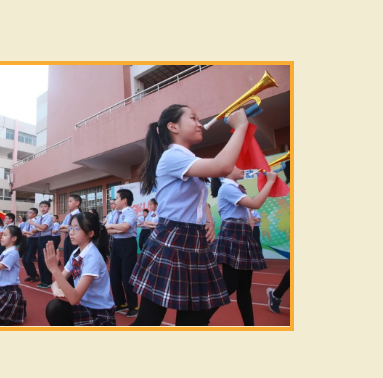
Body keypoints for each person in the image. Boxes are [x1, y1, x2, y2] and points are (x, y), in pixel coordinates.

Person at [130, 105, 249, 326]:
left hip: (194, 239)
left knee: (194, 322)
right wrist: (241, 126)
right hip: (173, 238)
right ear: (173, 126)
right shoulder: (173, 156)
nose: (199, 123)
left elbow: (199, 199)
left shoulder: (188, 158)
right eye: (193, 118)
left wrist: (209, 220)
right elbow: (222, 166)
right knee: (148, 322)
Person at [203, 167, 277, 326]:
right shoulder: (228, 187)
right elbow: (255, 203)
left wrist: (249, 219)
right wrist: (270, 182)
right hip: (233, 234)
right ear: (227, 170)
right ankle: (200, 318)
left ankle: (249, 326)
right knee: (230, 285)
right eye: (237, 165)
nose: (242, 168)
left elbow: (249, 210)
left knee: (244, 288)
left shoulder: (235, 187)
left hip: (241, 233)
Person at [44, 212, 115, 326]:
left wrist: (54, 269)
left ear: (90, 233)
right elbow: (56, 282)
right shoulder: (76, 253)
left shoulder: (93, 257)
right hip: (85, 307)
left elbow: (74, 299)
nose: (71, 232)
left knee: (55, 308)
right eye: (71, 228)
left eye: (76, 229)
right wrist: (55, 288)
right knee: (54, 308)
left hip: (100, 313)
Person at [105, 188, 139, 317]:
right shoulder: (114, 214)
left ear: (124, 200)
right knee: (114, 275)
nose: (115, 201)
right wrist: (117, 229)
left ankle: (133, 305)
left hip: (128, 244)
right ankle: (120, 303)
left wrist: (113, 227)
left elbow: (125, 227)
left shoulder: (131, 213)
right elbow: (106, 229)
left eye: (117, 198)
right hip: (116, 244)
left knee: (127, 276)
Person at [59, 195, 82, 286]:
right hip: (67, 239)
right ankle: (69, 284)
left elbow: (77, 229)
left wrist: (68, 228)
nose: (68, 203)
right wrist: (71, 228)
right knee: (67, 262)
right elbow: (61, 228)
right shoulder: (68, 216)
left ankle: (76, 284)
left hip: (76, 241)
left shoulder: (80, 215)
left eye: (70, 201)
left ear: (77, 203)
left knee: (75, 262)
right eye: (68, 201)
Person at [32, 201, 54, 288]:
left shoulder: (49, 217)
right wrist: (39, 228)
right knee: (40, 260)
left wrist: (34, 224)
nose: (43, 208)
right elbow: (33, 230)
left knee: (45, 260)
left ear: (49, 208)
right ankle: (43, 280)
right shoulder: (39, 218)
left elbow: (44, 228)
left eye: (45, 206)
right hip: (40, 239)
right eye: (41, 206)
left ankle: (48, 281)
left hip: (46, 238)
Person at [22, 208, 41, 284]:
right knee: (24, 259)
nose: (28, 213)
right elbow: (23, 232)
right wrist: (28, 233)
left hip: (34, 240)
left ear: (34, 214)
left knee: (29, 259)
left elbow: (33, 233)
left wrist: (27, 233)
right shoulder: (27, 222)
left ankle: (35, 275)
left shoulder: (36, 221)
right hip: (28, 240)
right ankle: (30, 275)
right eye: (28, 212)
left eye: (30, 212)